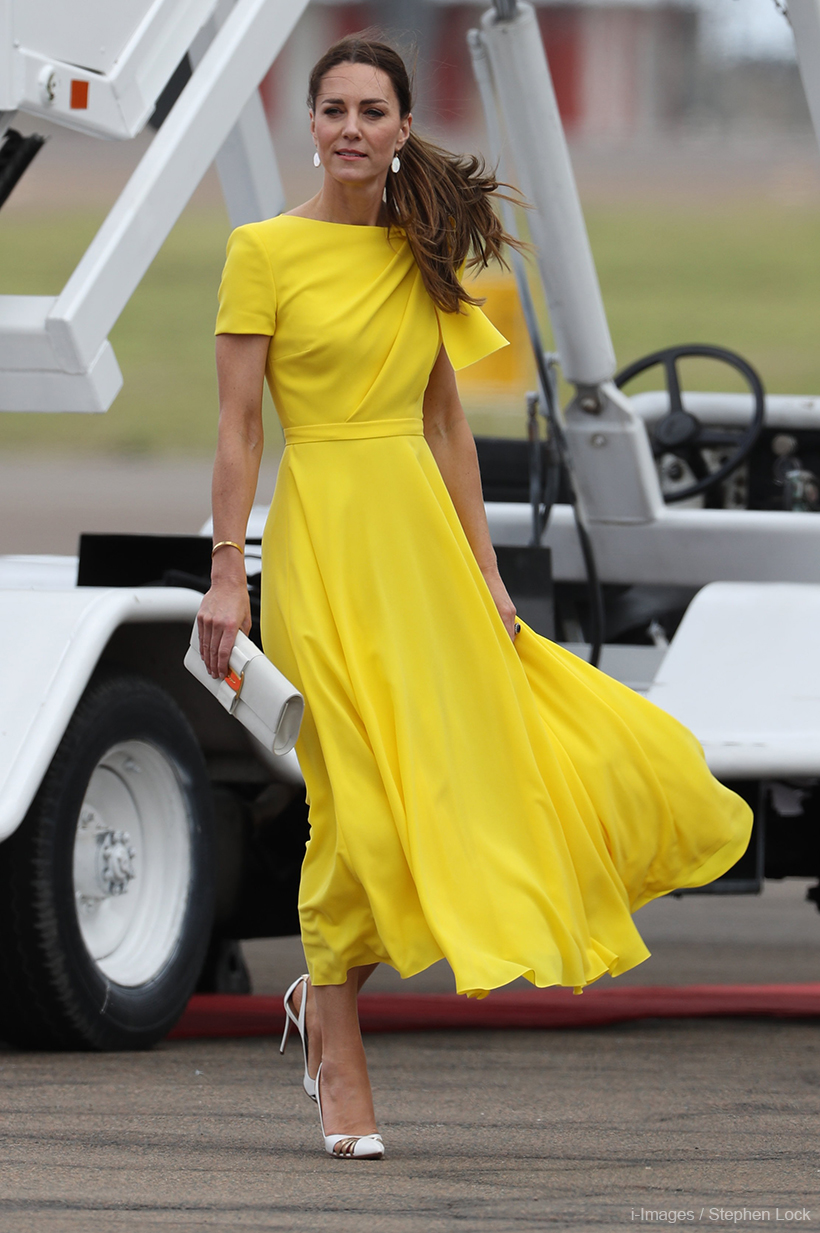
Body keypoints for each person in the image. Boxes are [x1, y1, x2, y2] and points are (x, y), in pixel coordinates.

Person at [196, 33, 752, 1160]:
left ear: (402, 130)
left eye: (372, 110)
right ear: (310, 123)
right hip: (322, 542)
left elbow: (447, 420)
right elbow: (239, 426)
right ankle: (338, 1049)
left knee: (456, 775)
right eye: (333, 107)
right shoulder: (262, 251)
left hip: (425, 548)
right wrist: (225, 574)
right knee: (351, 793)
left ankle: (330, 1000)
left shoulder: (421, 251)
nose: (350, 127)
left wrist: (488, 572)